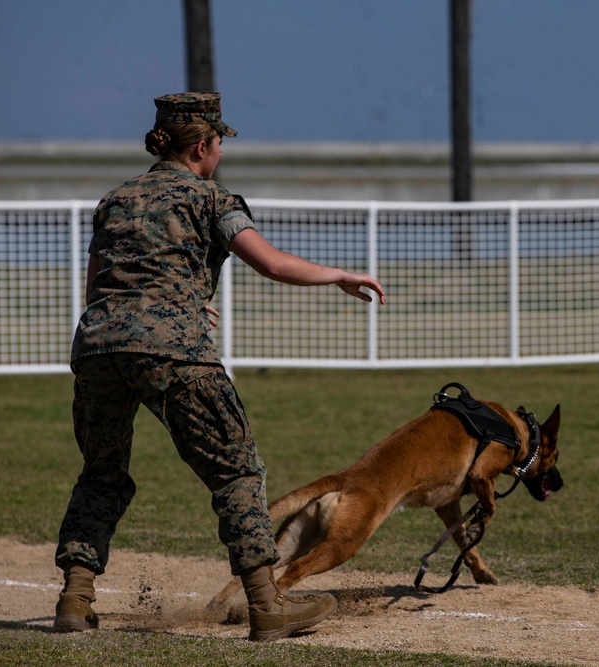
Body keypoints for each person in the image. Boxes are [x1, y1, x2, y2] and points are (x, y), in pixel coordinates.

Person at [52, 92, 386, 642]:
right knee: (235, 470)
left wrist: (178, 298)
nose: (222, 154)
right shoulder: (209, 197)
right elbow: (272, 262)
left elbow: (101, 287)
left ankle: (75, 597)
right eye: (220, 144)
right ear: (202, 145)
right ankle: (266, 604)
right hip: (174, 348)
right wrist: (339, 275)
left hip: (98, 345)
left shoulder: (115, 199)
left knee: (101, 472)